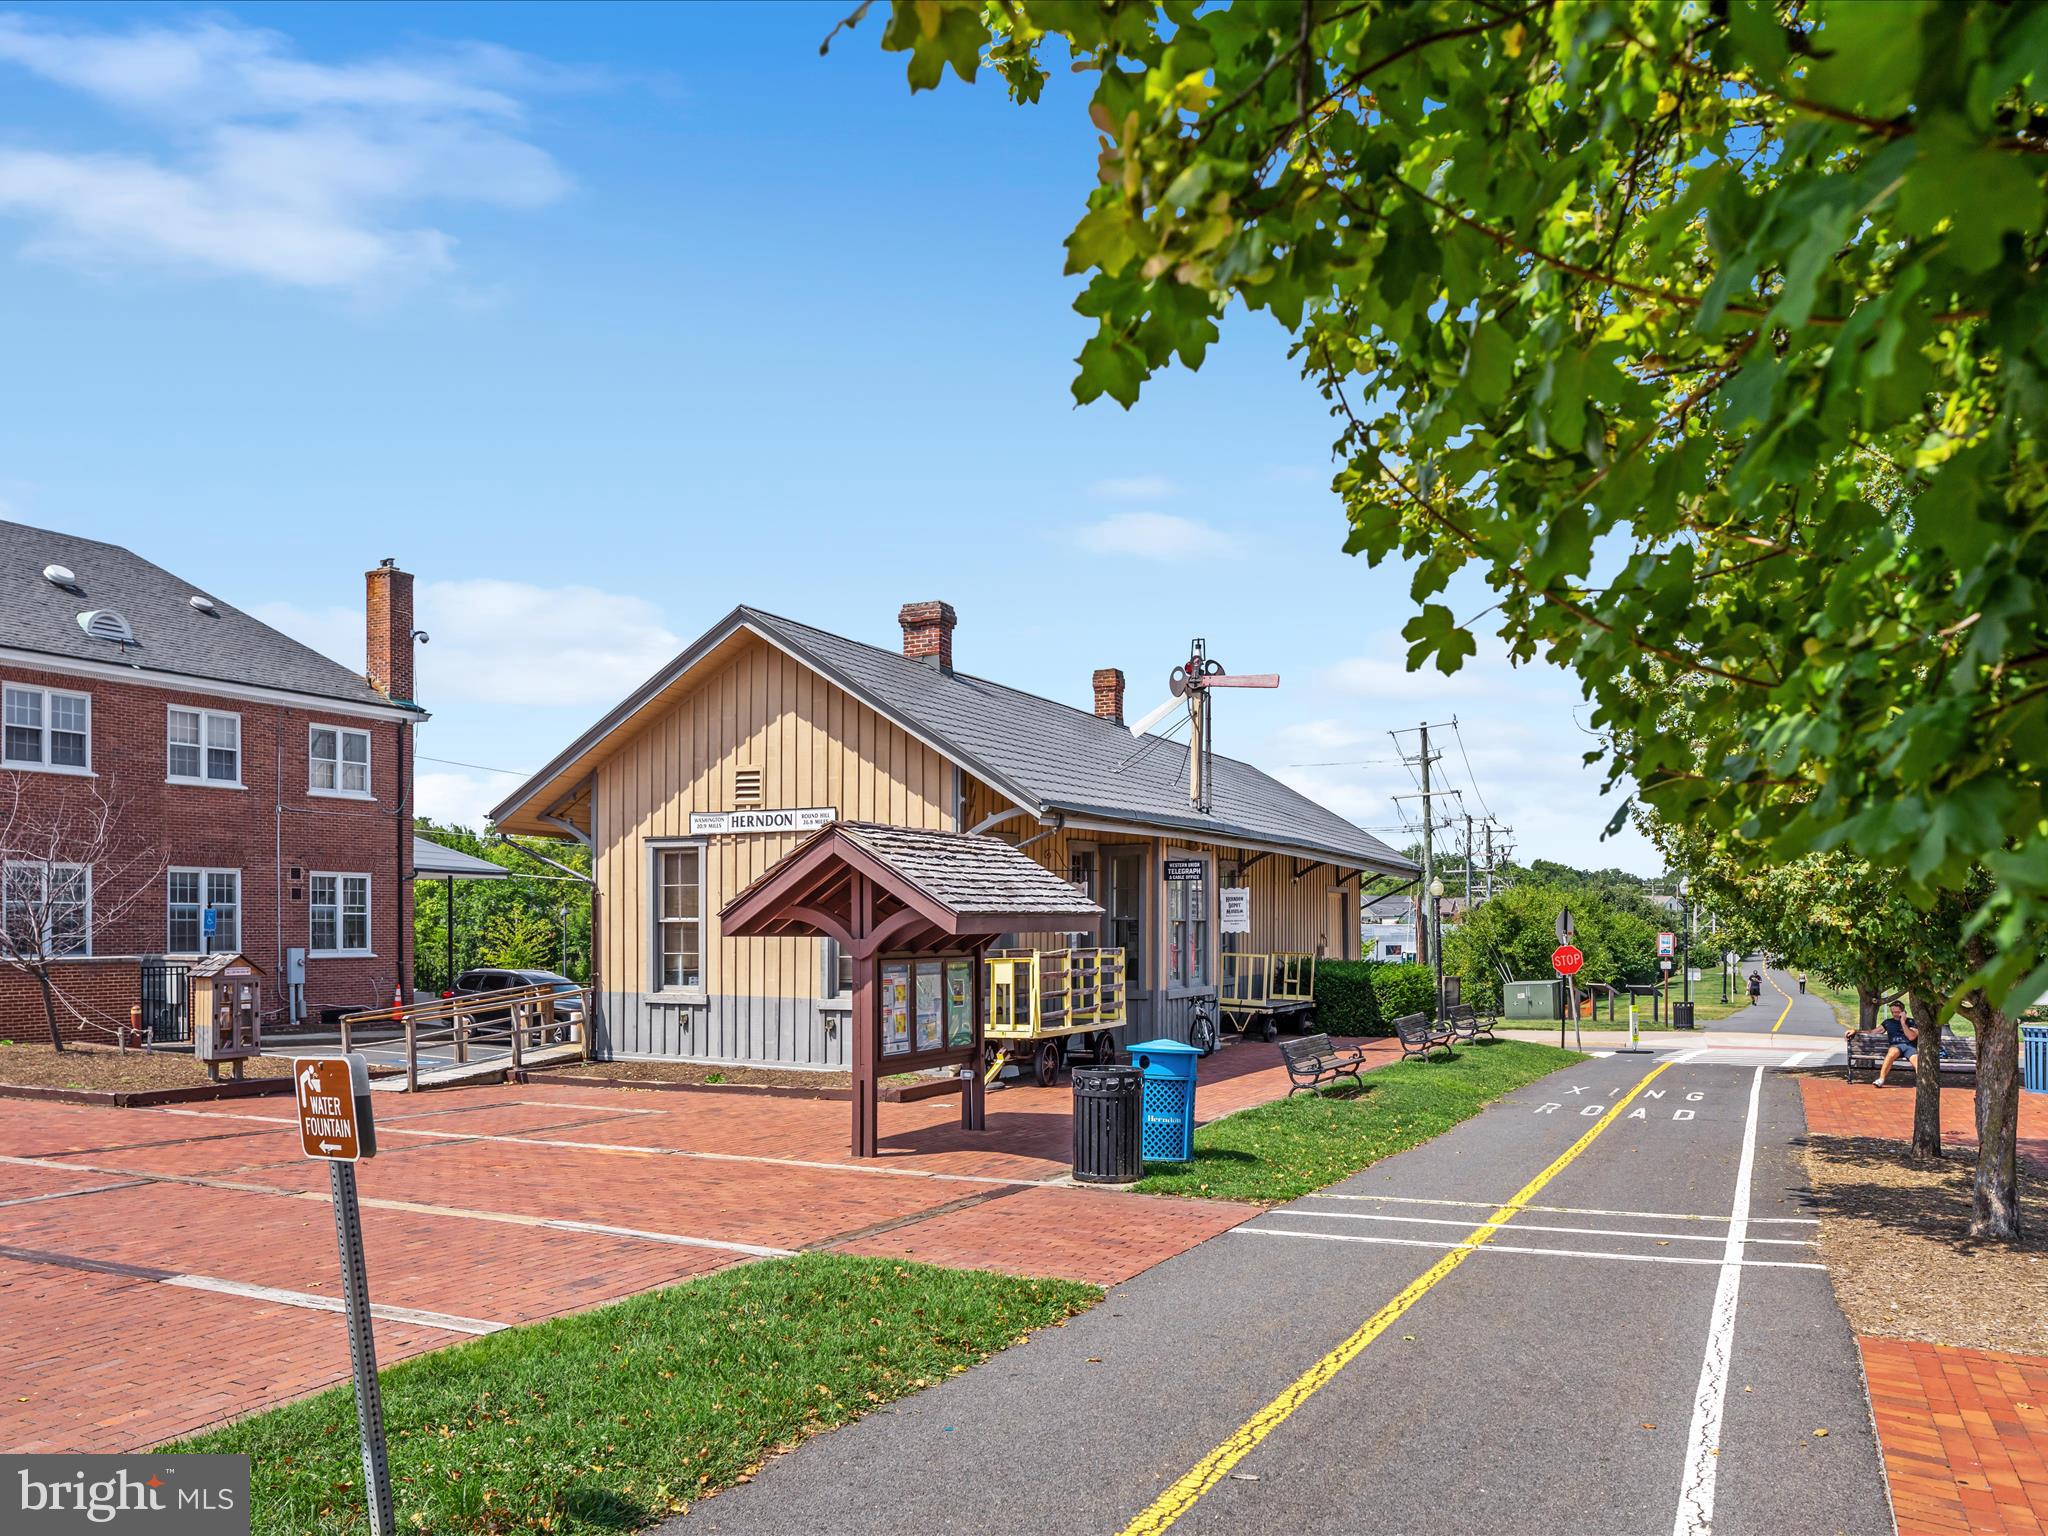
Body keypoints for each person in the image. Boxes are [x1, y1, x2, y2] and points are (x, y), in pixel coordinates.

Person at [1874, 999, 1919, 1087]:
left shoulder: (1911, 1022)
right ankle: (1881, 1079)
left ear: (1903, 1012)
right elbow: (1873, 1032)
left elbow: (1911, 1037)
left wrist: (1903, 1022)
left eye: (1897, 1012)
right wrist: (1856, 1031)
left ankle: (1922, 1082)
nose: (1895, 1014)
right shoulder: (1888, 1022)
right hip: (1896, 1046)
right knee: (1891, 1053)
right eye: (1893, 1012)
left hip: (1910, 1047)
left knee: (1916, 1061)